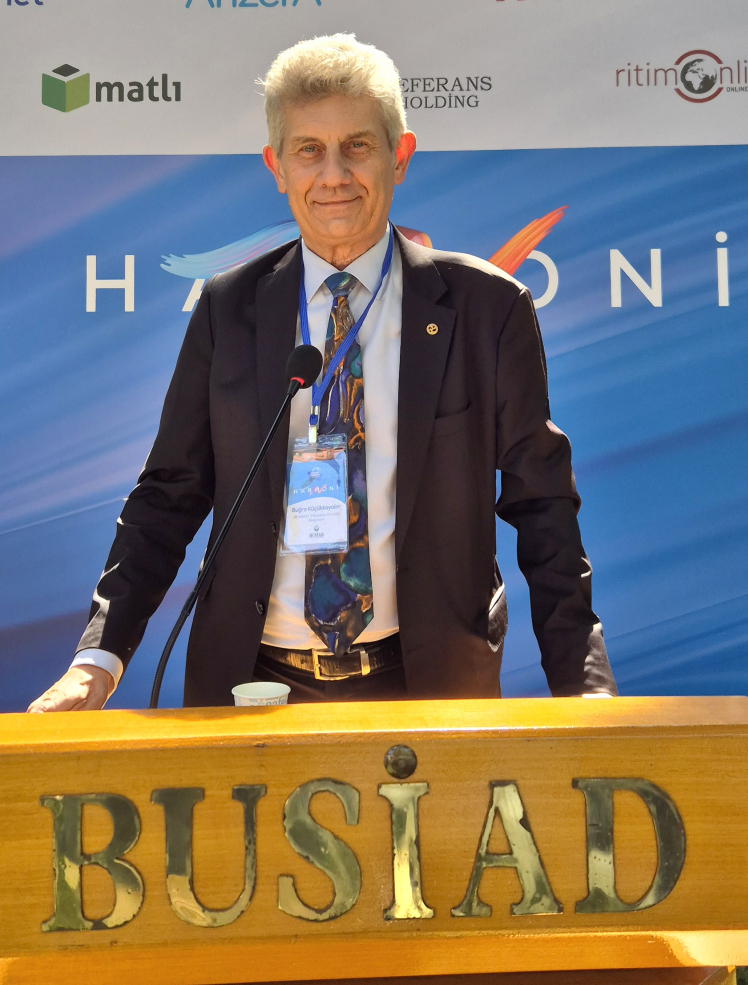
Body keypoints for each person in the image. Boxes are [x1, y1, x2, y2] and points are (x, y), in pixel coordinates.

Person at [28, 34, 617, 712]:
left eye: (357, 146)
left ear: (400, 155)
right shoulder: (229, 307)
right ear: (277, 166)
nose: (333, 175)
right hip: (249, 686)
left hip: (428, 688)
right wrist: (97, 662)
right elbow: (168, 496)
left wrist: (584, 687)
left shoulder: (487, 308)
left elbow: (543, 509)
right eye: (309, 150)